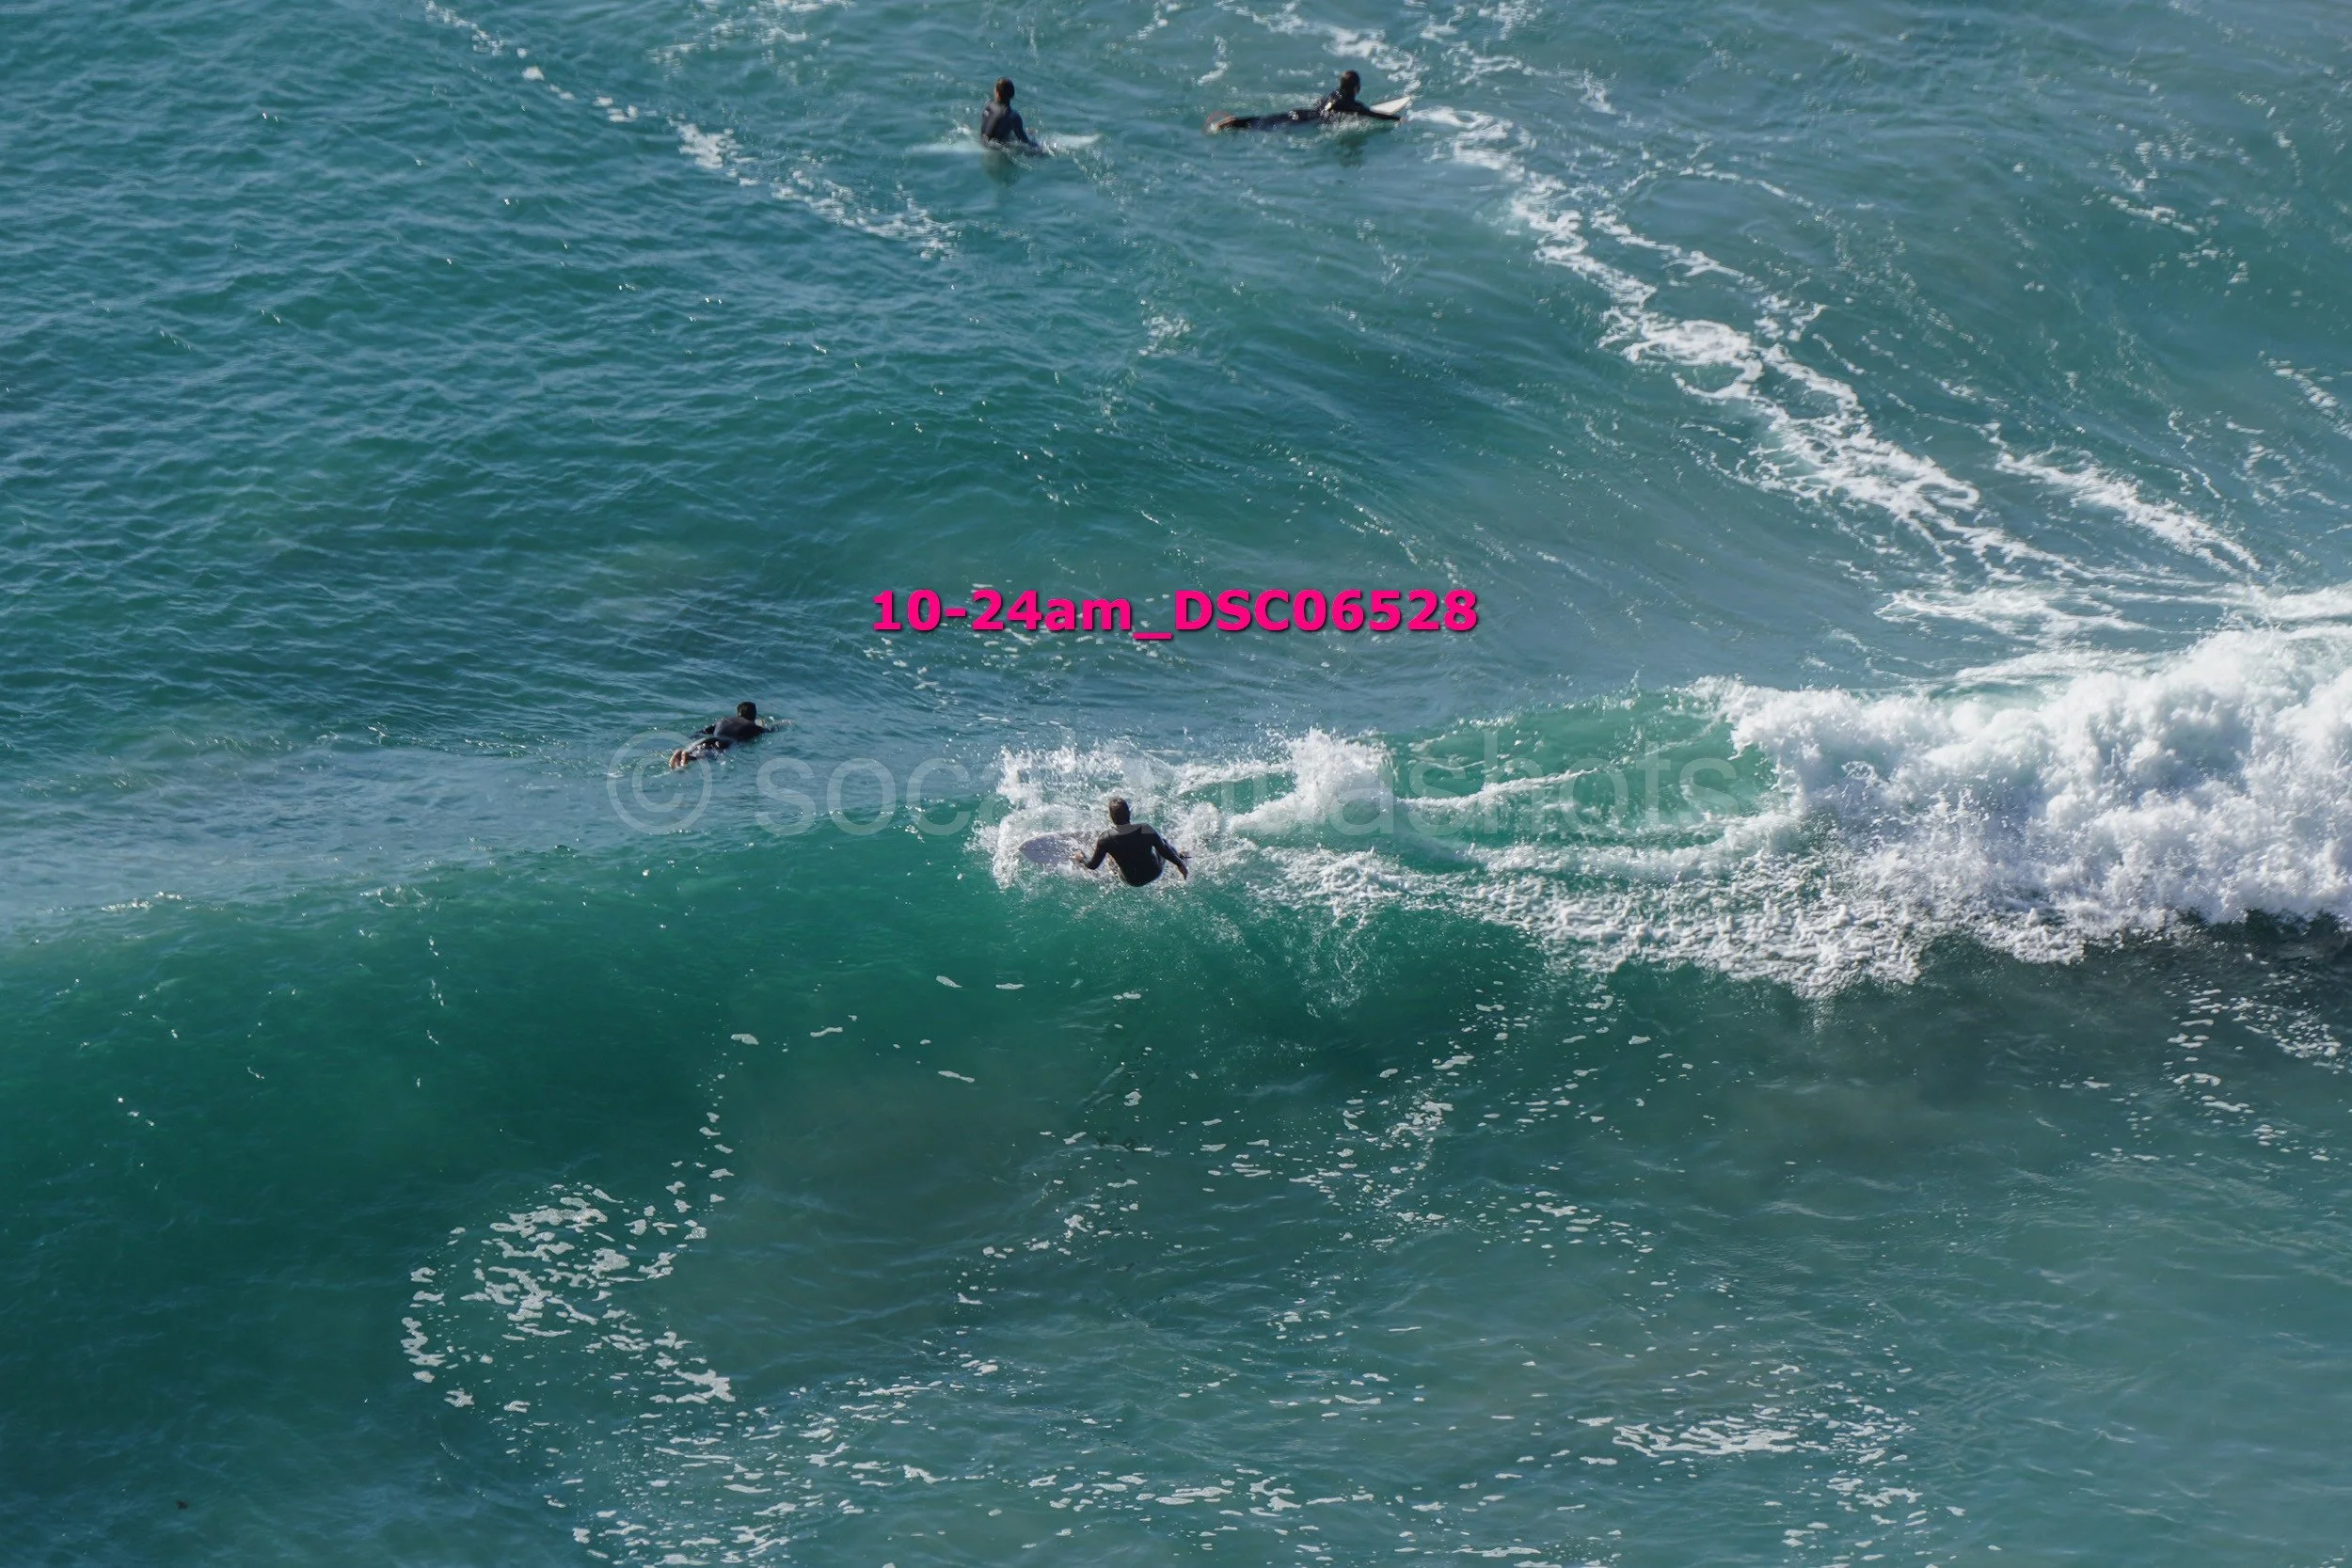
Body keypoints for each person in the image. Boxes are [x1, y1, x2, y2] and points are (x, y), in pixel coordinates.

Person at [1210, 70, 1400, 132]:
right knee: (1267, 126)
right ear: (1357, 88)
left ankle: (1235, 122)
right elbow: (1370, 113)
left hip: (1302, 112)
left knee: (1267, 120)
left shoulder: (1335, 93)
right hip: (1307, 120)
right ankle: (1234, 123)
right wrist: (1398, 120)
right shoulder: (1349, 104)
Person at [1074, 797, 1189, 886]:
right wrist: (1179, 864)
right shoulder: (1145, 828)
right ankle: (1181, 857)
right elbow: (1164, 850)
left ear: (1111, 817)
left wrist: (1082, 858)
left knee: (1111, 857)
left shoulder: (1105, 838)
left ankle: (1113, 873)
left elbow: (1093, 865)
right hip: (1154, 872)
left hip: (1132, 881)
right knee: (1163, 842)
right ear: (1129, 814)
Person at [670, 702, 771, 768]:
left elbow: (703, 731)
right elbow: (769, 730)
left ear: (738, 713)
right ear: (754, 715)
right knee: (711, 755)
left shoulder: (723, 720)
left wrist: (692, 737)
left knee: (697, 748)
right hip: (726, 743)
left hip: (711, 738)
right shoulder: (753, 726)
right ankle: (690, 757)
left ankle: (683, 752)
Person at [980, 78, 1041, 150]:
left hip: (982, 142)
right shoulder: (1012, 115)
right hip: (995, 148)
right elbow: (1024, 141)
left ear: (997, 92)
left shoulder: (988, 105)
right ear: (1012, 94)